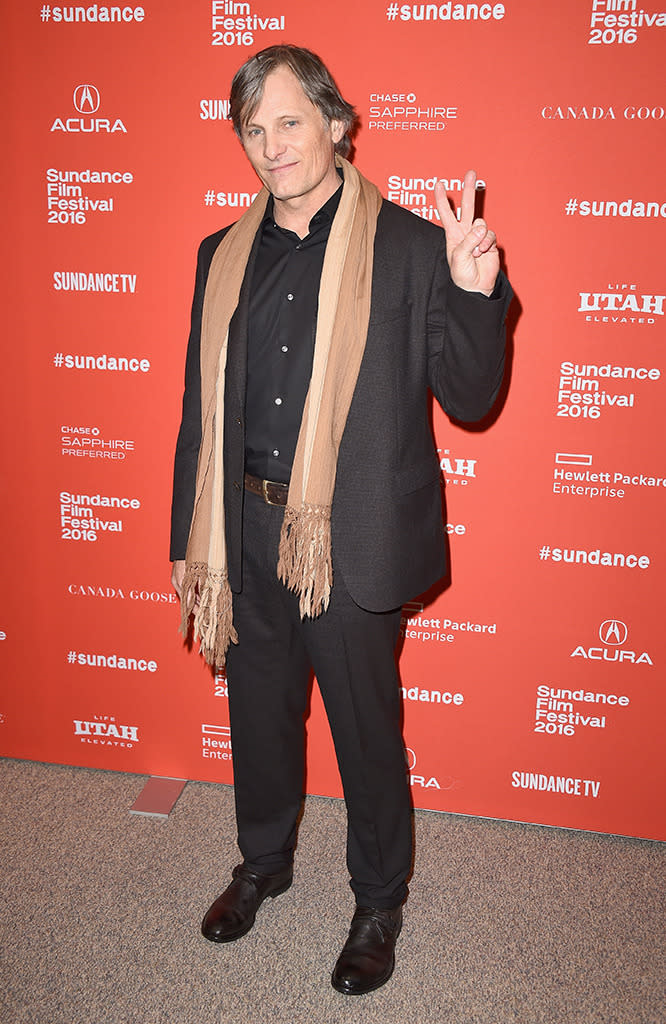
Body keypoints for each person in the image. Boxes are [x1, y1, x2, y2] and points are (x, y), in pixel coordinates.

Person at [171, 44, 512, 996]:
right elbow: (199, 413)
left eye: (288, 121)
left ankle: (377, 900)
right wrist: (186, 541)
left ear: (336, 124)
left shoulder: (407, 246)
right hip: (243, 531)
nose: (271, 146)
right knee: (258, 717)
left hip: (350, 536)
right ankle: (263, 862)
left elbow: (472, 396)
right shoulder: (220, 256)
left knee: (367, 730)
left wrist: (476, 292)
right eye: (253, 128)